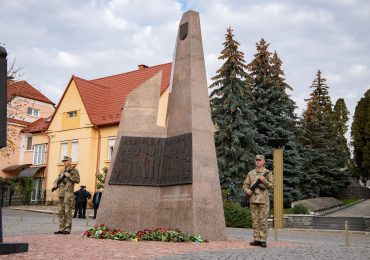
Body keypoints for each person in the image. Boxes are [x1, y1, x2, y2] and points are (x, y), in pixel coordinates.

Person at [243, 154, 273, 248]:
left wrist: (264, 181)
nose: (258, 161)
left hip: (263, 201)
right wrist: (246, 190)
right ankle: (256, 239)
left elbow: (272, 186)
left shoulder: (268, 173)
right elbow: (245, 184)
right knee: (255, 221)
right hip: (253, 200)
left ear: (263, 162)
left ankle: (263, 240)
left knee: (263, 221)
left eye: (259, 160)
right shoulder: (251, 173)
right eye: (256, 160)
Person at [53, 156, 80, 234]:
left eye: (66, 161)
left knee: (67, 211)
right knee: (61, 211)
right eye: (63, 161)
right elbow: (58, 179)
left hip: (68, 193)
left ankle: (67, 229)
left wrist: (69, 176)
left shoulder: (74, 170)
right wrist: (55, 184)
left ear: (70, 161)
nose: (64, 162)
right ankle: (61, 228)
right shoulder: (62, 170)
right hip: (61, 193)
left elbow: (77, 180)